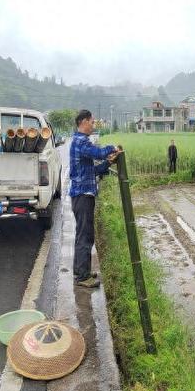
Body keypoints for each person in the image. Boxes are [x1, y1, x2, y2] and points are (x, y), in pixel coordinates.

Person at [69, 109, 120, 288]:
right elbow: (98, 153)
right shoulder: (80, 141)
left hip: (83, 194)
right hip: (83, 195)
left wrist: (109, 162)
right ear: (83, 122)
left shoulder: (81, 143)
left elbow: (94, 170)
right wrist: (113, 148)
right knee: (85, 235)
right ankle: (82, 278)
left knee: (83, 234)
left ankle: (81, 271)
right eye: (92, 122)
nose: (93, 125)